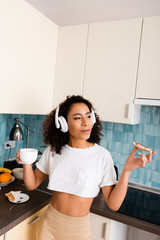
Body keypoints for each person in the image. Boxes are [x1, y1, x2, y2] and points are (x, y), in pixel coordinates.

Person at [16, 95, 155, 240]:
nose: (85, 123)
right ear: (63, 123)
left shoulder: (102, 156)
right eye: (77, 118)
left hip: (79, 232)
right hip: (49, 226)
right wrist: (26, 162)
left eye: (88, 116)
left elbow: (113, 205)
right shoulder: (53, 151)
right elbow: (32, 185)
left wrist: (127, 170)